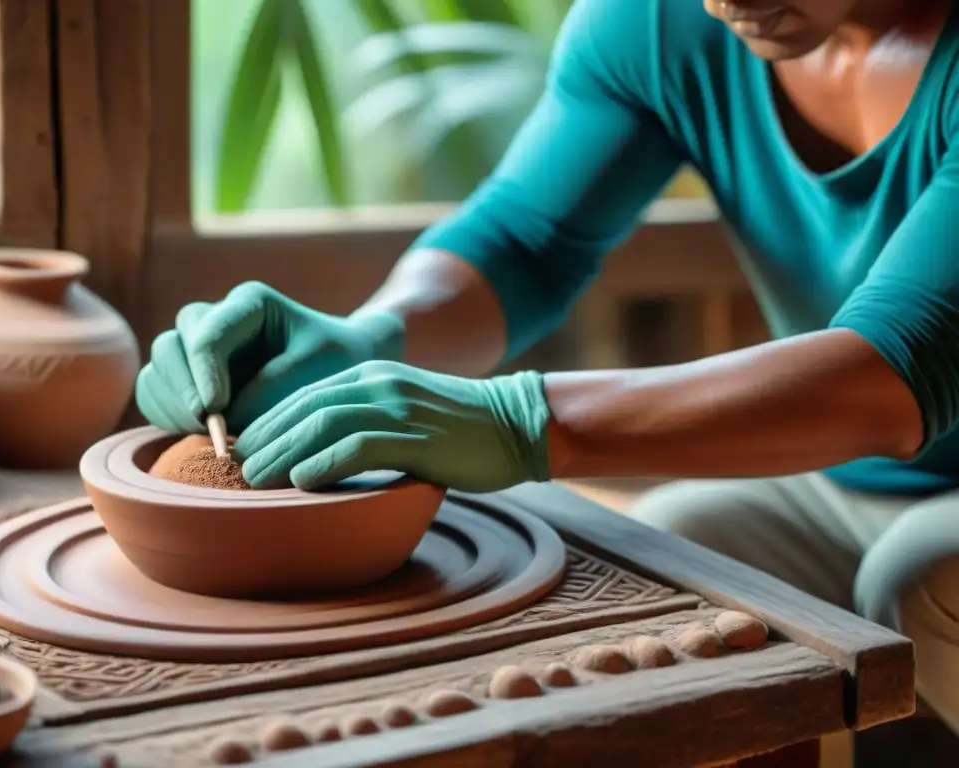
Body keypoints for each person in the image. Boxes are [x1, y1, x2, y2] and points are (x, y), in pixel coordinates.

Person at [137, 0, 959, 735]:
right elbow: (524, 243)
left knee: (921, 576)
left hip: (910, 472)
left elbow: (889, 376)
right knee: (676, 562)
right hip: (838, 477)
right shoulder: (664, 21)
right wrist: (372, 338)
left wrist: (522, 421)